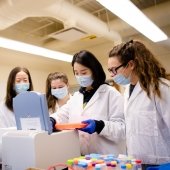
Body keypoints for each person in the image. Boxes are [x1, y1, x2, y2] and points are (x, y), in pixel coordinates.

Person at [108, 40, 170, 170]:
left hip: (161, 162)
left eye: (114, 70)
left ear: (131, 64)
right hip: (136, 162)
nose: (111, 75)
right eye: (110, 70)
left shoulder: (161, 88)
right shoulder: (127, 92)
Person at [51, 50, 126, 155]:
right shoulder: (77, 97)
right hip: (83, 159)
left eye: (84, 72)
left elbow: (121, 129)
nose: (80, 76)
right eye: (76, 73)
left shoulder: (111, 94)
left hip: (107, 159)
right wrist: (52, 120)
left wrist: (99, 126)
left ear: (94, 71)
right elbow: (62, 114)